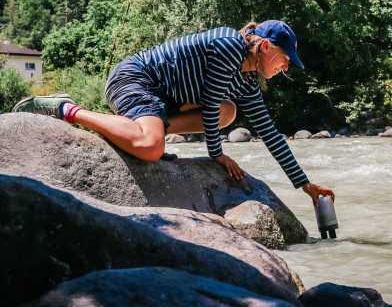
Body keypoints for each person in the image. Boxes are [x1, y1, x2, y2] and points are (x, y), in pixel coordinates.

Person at [13, 20, 335, 207]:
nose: (286, 66)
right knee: (153, 148)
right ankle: (66, 109)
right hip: (134, 79)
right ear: (265, 47)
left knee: (229, 112)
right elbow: (208, 101)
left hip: (163, 100)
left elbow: (269, 132)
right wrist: (217, 154)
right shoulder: (228, 46)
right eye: (284, 58)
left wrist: (304, 185)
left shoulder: (247, 80)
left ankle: (138, 130)